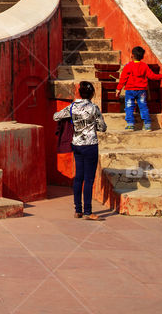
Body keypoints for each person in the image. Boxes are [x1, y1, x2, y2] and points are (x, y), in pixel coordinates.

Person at [54, 80, 107, 220]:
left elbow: (56, 116)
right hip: (90, 145)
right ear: (91, 94)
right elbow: (102, 127)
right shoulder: (93, 108)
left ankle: (78, 210)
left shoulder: (72, 107)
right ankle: (88, 212)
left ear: (79, 92)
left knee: (78, 177)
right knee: (88, 179)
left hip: (77, 144)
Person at [116, 45, 162, 131]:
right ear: (142, 57)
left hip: (130, 90)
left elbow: (123, 79)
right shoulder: (144, 66)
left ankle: (130, 124)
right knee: (143, 107)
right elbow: (152, 76)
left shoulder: (128, 66)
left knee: (129, 107)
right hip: (141, 91)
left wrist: (118, 89)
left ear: (132, 55)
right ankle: (147, 125)